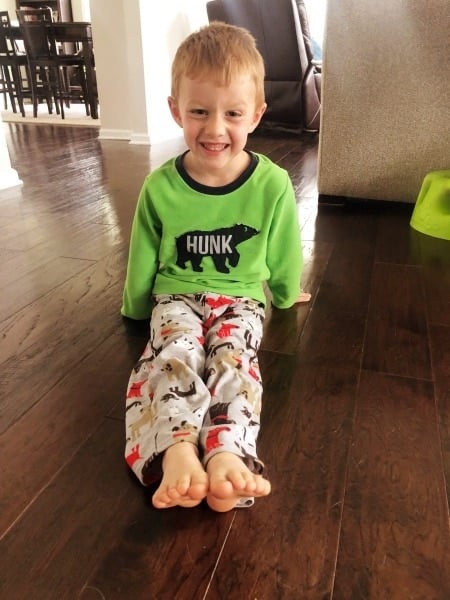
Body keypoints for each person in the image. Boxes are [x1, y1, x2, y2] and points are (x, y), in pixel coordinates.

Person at [122, 21, 311, 512]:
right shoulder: (160, 187)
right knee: (176, 355)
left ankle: (229, 454)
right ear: (175, 111)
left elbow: (283, 247)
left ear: (256, 115)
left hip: (242, 298)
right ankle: (178, 449)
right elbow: (143, 250)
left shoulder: (271, 185)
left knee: (234, 358)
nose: (215, 128)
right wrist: (137, 306)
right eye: (199, 112)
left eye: (232, 113)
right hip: (175, 295)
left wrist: (288, 292)